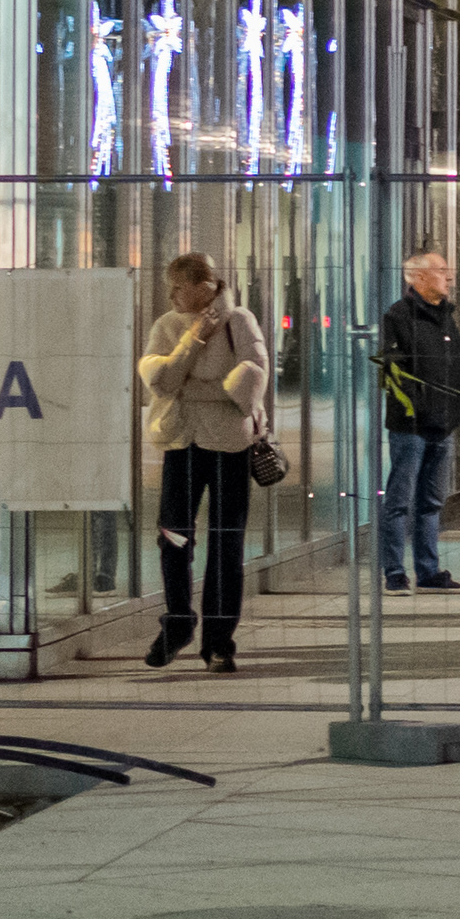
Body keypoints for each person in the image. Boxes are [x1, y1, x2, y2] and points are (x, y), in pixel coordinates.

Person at [136, 249, 271, 673]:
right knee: (173, 537)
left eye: (179, 286)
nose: (172, 294)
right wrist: (193, 343)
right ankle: (177, 622)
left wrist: (190, 386)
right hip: (182, 444)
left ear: (204, 285)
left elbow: (251, 382)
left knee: (225, 543)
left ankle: (218, 641)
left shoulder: (239, 322)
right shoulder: (167, 325)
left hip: (229, 448)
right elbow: (161, 381)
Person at [376, 249, 460, 592]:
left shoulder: (447, 317)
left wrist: (457, 409)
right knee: (399, 500)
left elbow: (457, 367)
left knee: (431, 502)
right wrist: (418, 408)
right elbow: (395, 371)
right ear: (416, 278)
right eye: (441, 270)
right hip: (411, 427)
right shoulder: (398, 317)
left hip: (443, 424)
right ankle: (394, 572)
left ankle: (428, 571)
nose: (449, 276)